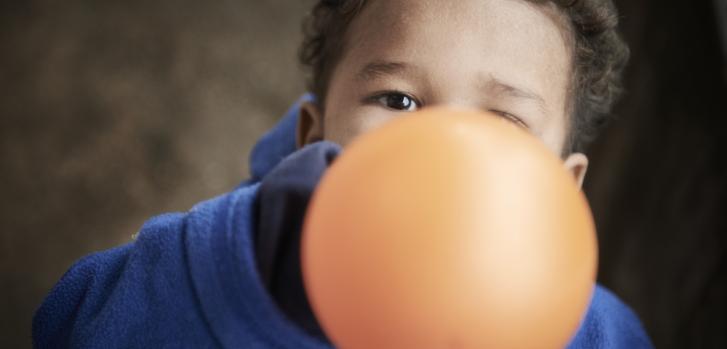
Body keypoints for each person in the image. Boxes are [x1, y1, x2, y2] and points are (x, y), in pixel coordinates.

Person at [33, 0, 653, 347]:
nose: (442, 147)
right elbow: (70, 327)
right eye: (398, 100)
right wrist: (239, 283)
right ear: (314, 134)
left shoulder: (596, 333)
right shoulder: (218, 262)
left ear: (563, 192)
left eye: (502, 119)